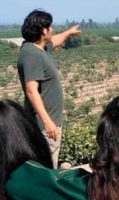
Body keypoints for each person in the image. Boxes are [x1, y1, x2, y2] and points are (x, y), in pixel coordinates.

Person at [17, 9, 80, 168]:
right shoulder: (32, 55)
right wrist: (47, 122)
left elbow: (56, 40)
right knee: (46, 167)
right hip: (43, 126)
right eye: (50, 27)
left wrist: (69, 32)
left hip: (48, 123)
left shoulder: (39, 48)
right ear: (43, 30)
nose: (52, 30)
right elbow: (32, 90)